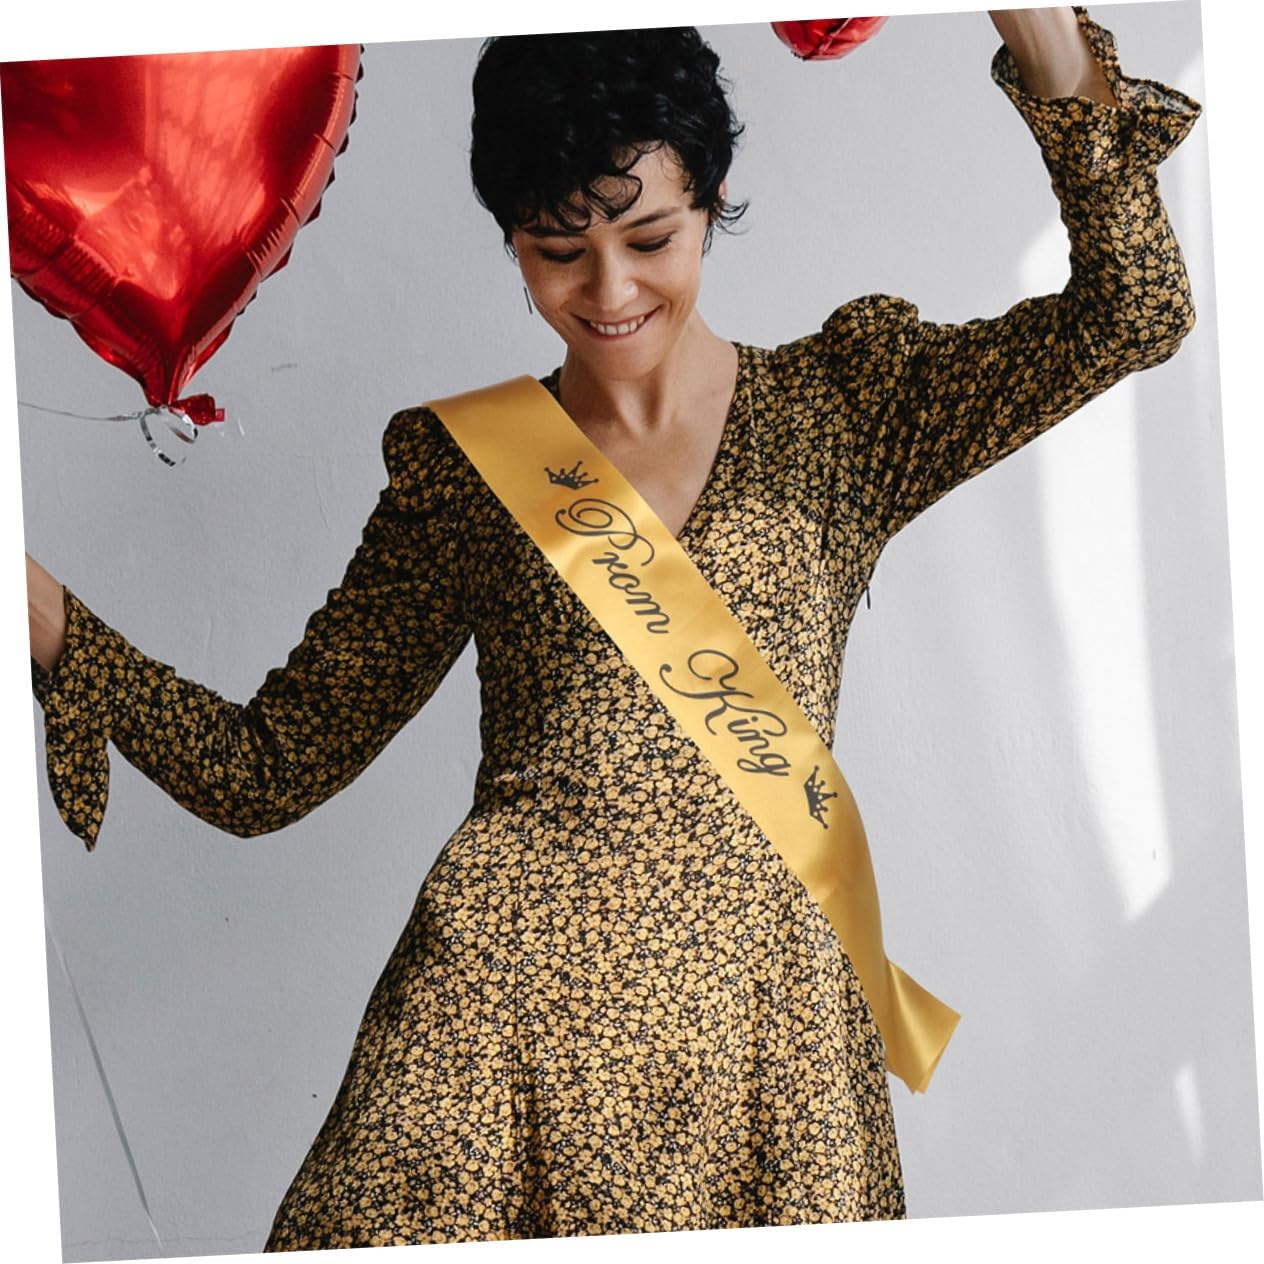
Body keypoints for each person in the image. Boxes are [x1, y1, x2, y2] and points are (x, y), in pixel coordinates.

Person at [24, 5, 1201, 1249]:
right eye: (557, 251)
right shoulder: (468, 469)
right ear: (511, 240)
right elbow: (270, 767)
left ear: (713, 198)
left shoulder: (847, 407)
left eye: (650, 237)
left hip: (766, 1046)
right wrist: (37, 604)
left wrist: (1039, 30)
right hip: (497, 1039)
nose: (611, 290)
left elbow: (1134, 314)